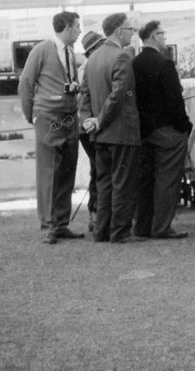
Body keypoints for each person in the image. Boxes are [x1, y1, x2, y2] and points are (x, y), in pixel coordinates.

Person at [18, 11, 85, 244]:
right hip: (48, 116)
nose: (79, 31)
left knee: (67, 169)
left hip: (69, 116)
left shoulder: (70, 53)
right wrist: (31, 115)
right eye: (77, 27)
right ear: (66, 28)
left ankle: (61, 223)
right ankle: (48, 226)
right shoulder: (41, 50)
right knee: (49, 172)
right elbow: (26, 83)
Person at [79, 13, 141, 243]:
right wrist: (100, 120)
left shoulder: (93, 59)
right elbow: (118, 96)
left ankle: (102, 231)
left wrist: (89, 120)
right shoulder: (122, 57)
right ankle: (120, 232)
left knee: (103, 183)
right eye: (130, 29)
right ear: (118, 31)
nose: (132, 33)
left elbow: (84, 95)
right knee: (122, 183)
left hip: (99, 135)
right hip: (121, 132)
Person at [132, 20, 192, 240]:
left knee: (145, 181)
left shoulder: (134, 63)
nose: (165, 38)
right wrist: (185, 127)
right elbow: (174, 101)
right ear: (154, 36)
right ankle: (162, 227)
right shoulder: (164, 64)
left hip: (143, 130)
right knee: (167, 180)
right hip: (166, 130)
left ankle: (142, 226)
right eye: (163, 34)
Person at [76, 30, 105, 232]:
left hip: (83, 126)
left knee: (97, 170)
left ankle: (95, 216)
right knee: (100, 171)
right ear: (93, 49)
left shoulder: (83, 68)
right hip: (92, 125)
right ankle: (98, 215)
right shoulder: (94, 66)